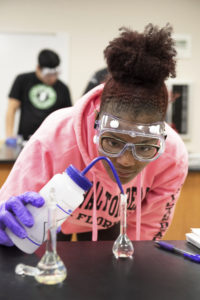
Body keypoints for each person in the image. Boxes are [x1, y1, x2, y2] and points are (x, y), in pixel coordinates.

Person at [0, 23, 188, 247]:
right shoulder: (55, 136)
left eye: (145, 147)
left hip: (111, 225)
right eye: (112, 141)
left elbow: (145, 234)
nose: (126, 160)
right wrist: (7, 225)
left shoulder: (172, 157)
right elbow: (15, 217)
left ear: (161, 139)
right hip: (54, 221)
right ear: (96, 126)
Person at [5, 49, 72, 145]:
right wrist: (9, 135)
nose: (52, 78)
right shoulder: (22, 80)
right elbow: (11, 108)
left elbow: (67, 118)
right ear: (38, 68)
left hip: (52, 141)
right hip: (25, 140)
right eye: (48, 75)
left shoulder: (63, 88)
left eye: (55, 74)